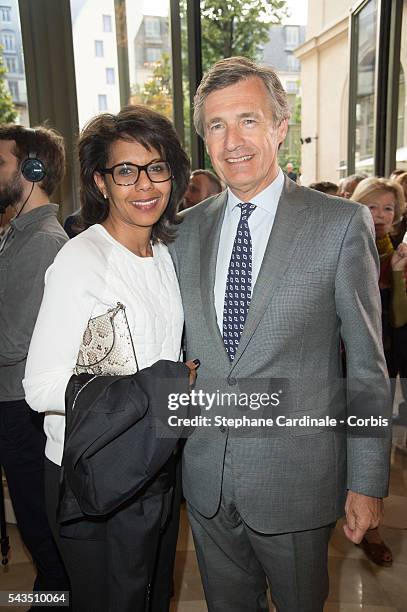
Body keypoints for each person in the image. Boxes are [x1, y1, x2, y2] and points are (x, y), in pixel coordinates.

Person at [170, 56, 391, 612]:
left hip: (296, 480)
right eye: (216, 125)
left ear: (280, 128)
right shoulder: (184, 231)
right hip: (207, 481)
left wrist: (368, 479)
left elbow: (366, 363)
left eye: (248, 119)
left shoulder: (339, 224)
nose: (232, 140)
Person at [23, 106, 196, 611]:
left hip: (153, 467)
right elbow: (40, 386)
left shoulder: (161, 254)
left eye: (156, 167)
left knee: (151, 596)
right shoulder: (82, 261)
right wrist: (156, 386)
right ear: (101, 182)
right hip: (94, 476)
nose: (144, 185)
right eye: (126, 171)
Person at [0, 124, 69, 593]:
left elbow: (11, 341)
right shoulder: (15, 233)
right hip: (11, 404)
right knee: (32, 521)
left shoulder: (43, 240)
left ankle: (55, 600)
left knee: (39, 526)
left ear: (33, 169)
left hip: (20, 408)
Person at [352, 177, 407, 566]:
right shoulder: (345, 243)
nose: (380, 215)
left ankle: (370, 527)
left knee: (370, 435)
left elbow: (396, 318)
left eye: (388, 208)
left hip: (380, 361)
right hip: (340, 359)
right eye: (372, 207)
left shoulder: (394, 255)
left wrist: (399, 275)